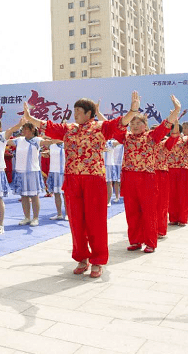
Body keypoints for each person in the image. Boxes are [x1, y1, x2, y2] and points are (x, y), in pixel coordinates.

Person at [23, 94, 135, 278]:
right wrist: (29, 118)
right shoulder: (69, 129)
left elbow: (119, 123)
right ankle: (82, 258)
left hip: (94, 179)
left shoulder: (100, 128)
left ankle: (98, 261)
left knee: (95, 221)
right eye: (74, 111)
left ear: (89, 113)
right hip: (73, 179)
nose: (75, 114)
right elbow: (48, 126)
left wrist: (132, 111)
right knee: (76, 222)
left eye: (79, 111)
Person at [111, 95, 181, 254]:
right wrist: (131, 111)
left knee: (149, 211)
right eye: (132, 123)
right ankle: (135, 241)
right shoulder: (125, 137)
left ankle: (150, 242)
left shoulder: (151, 137)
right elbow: (116, 128)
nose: (134, 126)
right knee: (132, 211)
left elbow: (165, 125)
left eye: (138, 123)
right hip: (129, 178)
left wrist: (176, 111)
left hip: (147, 178)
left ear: (145, 125)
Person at [8, 122, 46, 226]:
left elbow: (49, 142)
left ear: (32, 130)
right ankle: (27, 217)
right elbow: (5, 141)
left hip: (33, 172)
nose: (23, 131)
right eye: (23, 129)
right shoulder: (19, 140)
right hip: (20, 171)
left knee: (34, 196)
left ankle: (35, 218)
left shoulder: (37, 140)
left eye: (26, 129)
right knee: (24, 196)